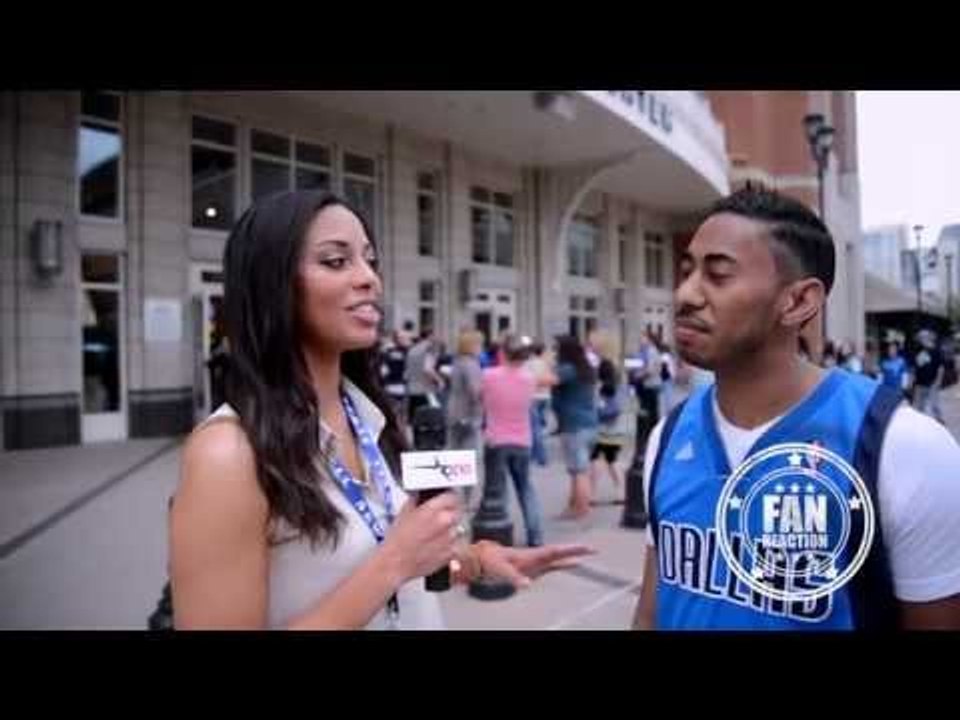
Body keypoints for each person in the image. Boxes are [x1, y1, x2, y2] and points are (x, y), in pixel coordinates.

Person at [170, 190, 591, 630]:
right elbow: (391, 560)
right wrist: (393, 561)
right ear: (272, 283)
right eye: (336, 261)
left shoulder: (368, 418)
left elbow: (394, 561)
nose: (369, 278)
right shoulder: (228, 453)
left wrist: (476, 560)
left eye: (370, 260)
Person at [632, 186, 960, 631]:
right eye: (687, 270)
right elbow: (651, 612)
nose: (685, 294)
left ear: (798, 301)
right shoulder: (668, 437)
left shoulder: (904, 448)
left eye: (719, 274)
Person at [480, 334, 544, 547]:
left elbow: (480, 397)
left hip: (497, 439)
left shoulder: (489, 375)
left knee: (498, 490)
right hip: (523, 439)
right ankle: (535, 535)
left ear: (503, 353)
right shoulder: (529, 378)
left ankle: (500, 532)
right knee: (525, 488)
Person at [550, 335, 599, 519]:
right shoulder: (585, 368)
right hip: (589, 422)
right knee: (577, 469)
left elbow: (549, 379)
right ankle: (574, 505)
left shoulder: (568, 370)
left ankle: (581, 508)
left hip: (574, 424)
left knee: (579, 470)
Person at [447, 329, 485, 507]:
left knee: (455, 454)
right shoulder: (471, 364)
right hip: (469, 415)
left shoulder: (457, 361)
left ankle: (453, 495)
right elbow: (475, 390)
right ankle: (468, 499)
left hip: (454, 412)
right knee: (469, 457)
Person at [589, 332, 628, 499]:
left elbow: (606, 389)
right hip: (614, 416)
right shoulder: (616, 364)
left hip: (604, 416)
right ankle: (620, 491)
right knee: (611, 456)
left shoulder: (604, 365)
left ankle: (592, 493)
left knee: (597, 455)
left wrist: (596, 389)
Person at [404, 327, 444, 423]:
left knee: (415, 423)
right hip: (426, 390)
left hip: (412, 390)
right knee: (431, 423)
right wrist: (440, 380)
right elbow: (427, 369)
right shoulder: (430, 348)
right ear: (430, 336)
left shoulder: (412, 349)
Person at [525, 340, 554, 467]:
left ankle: (541, 456)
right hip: (546, 396)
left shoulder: (528, 364)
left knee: (534, 427)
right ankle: (535, 454)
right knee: (540, 427)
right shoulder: (547, 364)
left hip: (533, 397)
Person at [912, 329, 946, 424]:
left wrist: (938, 381)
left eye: (922, 337)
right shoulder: (918, 350)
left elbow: (941, 367)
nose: (921, 340)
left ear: (927, 338)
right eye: (920, 338)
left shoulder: (936, 350)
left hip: (932, 383)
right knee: (918, 407)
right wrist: (913, 381)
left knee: (934, 405)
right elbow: (916, 367)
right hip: (919, 383)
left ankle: (940, 422)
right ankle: (920, 424)